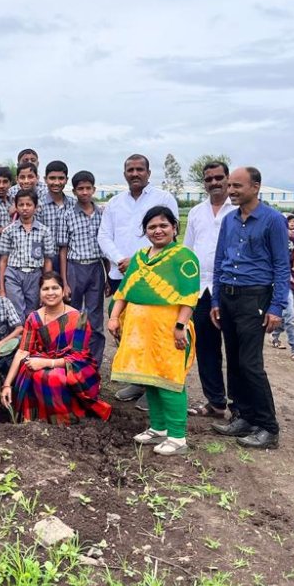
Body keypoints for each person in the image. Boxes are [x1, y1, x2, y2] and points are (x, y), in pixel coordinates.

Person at [108, 206, 200, 456]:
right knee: (150, 379)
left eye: (163, 225)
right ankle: (158, 428)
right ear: (145, 231)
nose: (158, 230)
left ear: (174, 228)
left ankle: (178, 436)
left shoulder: (184, 257)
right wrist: (115, 317)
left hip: (169, 330)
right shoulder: (139, 257)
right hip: (141, 331)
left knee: (170, 381)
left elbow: (190, 298)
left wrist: (180, 326)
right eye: (152, 227)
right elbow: (123, 292)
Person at [211, 167, 290, 450]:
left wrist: (277, 306)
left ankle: (268, 427)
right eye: (229, 185)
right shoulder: (230, 220)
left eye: (237, 186)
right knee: (232, 359)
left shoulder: (272, 220)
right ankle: (242, 416)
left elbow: (282, 266)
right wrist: (216, 300)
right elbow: (221, 260)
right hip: (229, 297)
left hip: (254, 298)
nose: (230, 190)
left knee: (250, 364)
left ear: (256, 187)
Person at [97, 154, 178, 406]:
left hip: (154, 279)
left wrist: (138, 260)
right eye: (130, 170)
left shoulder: (164, 199)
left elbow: (170, 235)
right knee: (125, 329)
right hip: (121, 276)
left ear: (148, 173)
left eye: (139, 169)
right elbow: (104, 236)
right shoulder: (114, 203)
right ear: (124, 174)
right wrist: (120, 258)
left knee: (152, 331)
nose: (135, 174)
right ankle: (140, 382)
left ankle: (155, 386)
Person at [1, 271, 111, 425]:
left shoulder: (78, 318)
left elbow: (78, 358)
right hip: (39, 361)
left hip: (74, 366)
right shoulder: (34, 318)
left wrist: (47, 363)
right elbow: (22, 351)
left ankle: (66, 422)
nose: (50, 293)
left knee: (54, 378)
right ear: (39, 293)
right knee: (32, 373)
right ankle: (34, 423)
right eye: (45, 289)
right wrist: (7, 385)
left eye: (55, 288)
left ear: (63, 290)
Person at [182, 160, 234, 416]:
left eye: (218, 177)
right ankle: (215, 402)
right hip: (201, 289)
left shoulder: (237, 210)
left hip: (232, 288)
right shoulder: (196, 212)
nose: (214, 182)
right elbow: (188, 252)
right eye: (209, 179)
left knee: (236, 349)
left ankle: (240, 407)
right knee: (206, 348)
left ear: (228, 178)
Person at [62, 170, 107, 365]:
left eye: (88, 188)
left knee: (94, 317)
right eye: (81, 188)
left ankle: (93, 362)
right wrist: (65, 282)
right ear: (74, 191)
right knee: (72, 315)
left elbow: (105, 247)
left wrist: (106, 276)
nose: (85, 192)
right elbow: (63, 250)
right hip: (74, 268)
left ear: (94, 189)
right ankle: (70, 359)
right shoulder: (68, 215)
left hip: (96, 268)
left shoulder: (102, 214)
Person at [0, 188, 54, 320]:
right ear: (16, 207)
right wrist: (2, 288)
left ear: (35, 207)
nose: (25, 208)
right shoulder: (9, 231)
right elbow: (3, 260)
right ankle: (19, 340)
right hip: (13, 274)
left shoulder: (44, 231)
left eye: (28, 205)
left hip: (35, 275)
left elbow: (47, 260)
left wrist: (46, 284)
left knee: (33, 312)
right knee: (16, 311)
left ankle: (31, 339)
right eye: (21, 205)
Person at [271, 213, 294, 362]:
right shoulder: (279, 238)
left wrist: (292, 236)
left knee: (287, 315)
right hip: (283, 282)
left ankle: (275, 336)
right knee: (290, 316)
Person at [40, 160, 73, 273]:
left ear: (66, 180)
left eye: (61, 178)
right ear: (45, 179)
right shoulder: (38, 204)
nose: (57, 182)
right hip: (43, 258)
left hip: (69, 260)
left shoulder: (74, 204)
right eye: (52, 178)